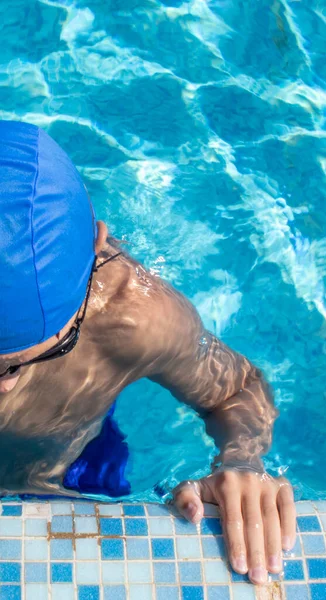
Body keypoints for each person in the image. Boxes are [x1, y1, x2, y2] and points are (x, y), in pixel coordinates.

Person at [0, 120, 296, 584]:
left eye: (24, 360)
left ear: (97, 248)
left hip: (59, 466)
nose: (5, 387)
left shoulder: (134, 317)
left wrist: (240, 461)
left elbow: (237, 388)